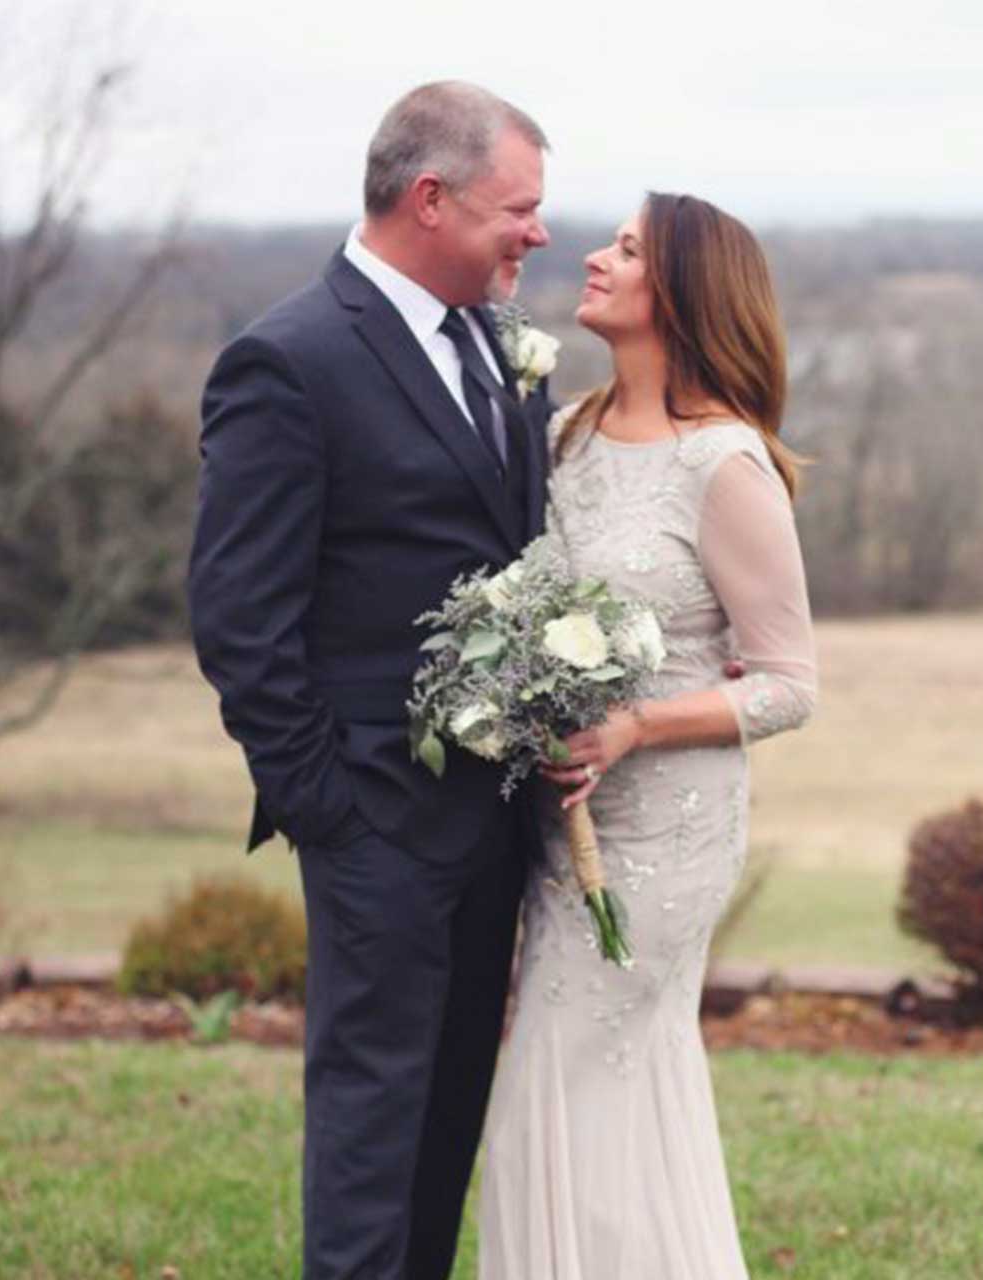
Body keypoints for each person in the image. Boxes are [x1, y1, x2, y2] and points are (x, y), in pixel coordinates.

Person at [188, 83, 552, 1280]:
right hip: (373, 819)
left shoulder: (496, 347)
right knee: (369, 1124)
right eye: (519, 209)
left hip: (492, 819)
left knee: (446, 1113)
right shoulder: (290, 359)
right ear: (429, 198)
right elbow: (240, 614)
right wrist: (329, 810)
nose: (538, 235)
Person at [477, 192, 817, 1279]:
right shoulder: (565, 432)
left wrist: (637, 724)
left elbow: (787, 683)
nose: (592, 256)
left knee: (553, 1080)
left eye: (625, 248)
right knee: (598, 1094)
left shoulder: (722, 463)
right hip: (558, 824)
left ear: (680, 289)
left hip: (663, 839)